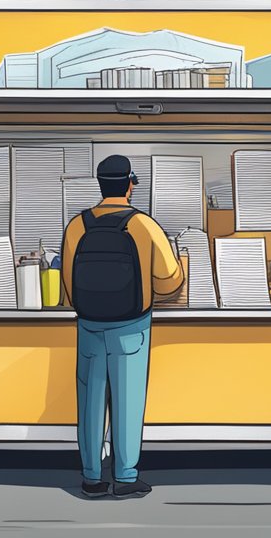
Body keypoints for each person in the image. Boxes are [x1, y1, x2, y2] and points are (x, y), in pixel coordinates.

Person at [61, 155, 183, 499]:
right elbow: (170, 280)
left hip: (89, 325)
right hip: (131, 325)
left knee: (90, 399)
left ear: (101, 185)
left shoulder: (77, 226)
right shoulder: (143, 225)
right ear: (129, 185)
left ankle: (91, 477)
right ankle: (126, 477)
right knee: (128, 400)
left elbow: (69, 287)